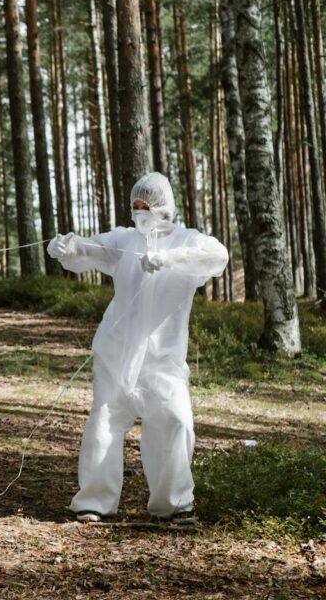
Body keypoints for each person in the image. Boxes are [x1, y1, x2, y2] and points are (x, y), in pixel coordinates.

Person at [47, 172, 228, 524]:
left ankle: (173, 504)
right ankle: (94, 502)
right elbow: (89, 249)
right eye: (136, 206)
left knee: (174, 421)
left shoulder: (187, 239)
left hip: (163, 358)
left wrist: (170, 259)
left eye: (147, 205)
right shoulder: (125, 240)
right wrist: (68, 248)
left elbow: (216, 256)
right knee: (104, 421)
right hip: (117, 352)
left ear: (164, 206)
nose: (140, 211)